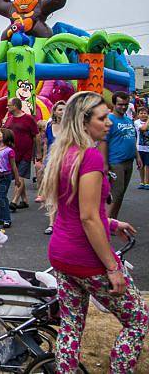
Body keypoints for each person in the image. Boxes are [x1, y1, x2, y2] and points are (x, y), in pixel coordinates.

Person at [43, 91, 147, 372]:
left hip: (62, 254)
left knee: (71, 327)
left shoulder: (63, 153)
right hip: (87, 259)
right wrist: (113, 267)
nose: (109, 123)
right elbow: (88, 217)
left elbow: (76, 209)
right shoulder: (88, 158)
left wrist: (112, 223)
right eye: (102, 118)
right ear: (84, 121)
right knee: (138, 319)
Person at [102, 91, 139, 219]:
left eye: (125, 104)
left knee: (121, 193)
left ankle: (113, 220)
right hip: (116, 162)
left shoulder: (128, 120)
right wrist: (105, 164)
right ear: (114, 104)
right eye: (120, 104)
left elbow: (132, 139)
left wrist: (137, 157)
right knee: (115, 193)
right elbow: (104, 142)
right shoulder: (109, 120)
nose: (123, 107)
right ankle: (106, 223)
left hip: (129, 161)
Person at [4, 97, 39, 212]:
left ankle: (14, 201)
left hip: (25, 152)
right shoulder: (9, 119)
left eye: (9, 105)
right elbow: (5, 133)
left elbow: (36, 135)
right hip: (12, 153)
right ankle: (24, 200)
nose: (7, 107)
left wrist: (37, 152)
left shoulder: (28, 119)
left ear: (15, 106)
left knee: (20, 177)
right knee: (17, 175)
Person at [0, 128, 22, 228]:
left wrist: (17, 178)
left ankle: (6, 218)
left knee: (2, 197)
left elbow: (13, 165)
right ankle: (0, 218)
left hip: (5, 175)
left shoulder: (9, 151)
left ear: (5, 136)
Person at [40, 99, 66, 234]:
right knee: (52, 193)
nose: (63, 111)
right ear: (55, 111)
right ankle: (51, 223)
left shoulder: (70, 126)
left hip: (66, 162)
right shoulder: (49, 126)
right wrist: (44, 161)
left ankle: (63, 221)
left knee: (65, 192)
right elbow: (45, 144)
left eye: (65, 109)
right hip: (51, 161)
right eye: (60, 109)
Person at [136, 107, 149, 190]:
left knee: (148, 166)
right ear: (138, 115)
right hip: (139, 148)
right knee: (141, 165)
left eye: (145, 113)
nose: (143, 114)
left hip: (148, 149)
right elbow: (143, 128)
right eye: (141, 113)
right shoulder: (136, 122)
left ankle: (147, 182)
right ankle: (142, 181)